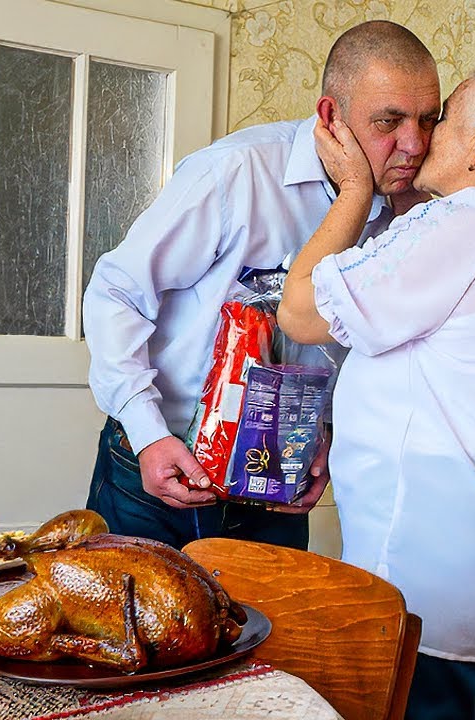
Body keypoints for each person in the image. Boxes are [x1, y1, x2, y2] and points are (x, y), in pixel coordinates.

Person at [278, 67, 475, 718]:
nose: (422, 140)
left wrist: (352, 191)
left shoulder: (470, 219)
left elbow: (301, 313)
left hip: (432, 592)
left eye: (441, 120)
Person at [82, 21, 441, 550]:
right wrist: (147, 432)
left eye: (427, 120)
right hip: (161, 463)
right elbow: (117, 290)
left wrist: (328, 435)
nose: (412, 144)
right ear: (330, 117)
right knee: (127, 629)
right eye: (389, 121)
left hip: (280, 470)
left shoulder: (406, 212)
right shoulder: (233, 174)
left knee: (270, 633)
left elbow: (371, 350)